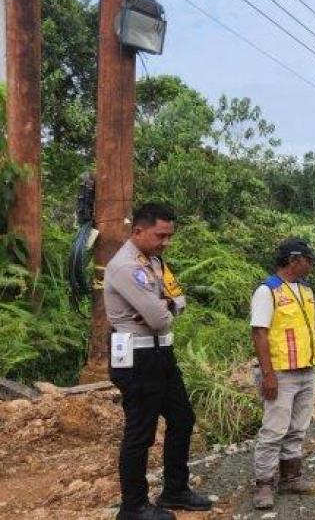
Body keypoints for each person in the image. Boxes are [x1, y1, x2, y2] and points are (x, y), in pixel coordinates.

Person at [105, 203, 212, 520]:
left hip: (161, 354)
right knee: (141, 432)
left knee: (182, 418)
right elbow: (157, 318)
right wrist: (161, 309)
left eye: (169, 236)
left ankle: (175, 490)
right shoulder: (125, 266)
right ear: (138, 231)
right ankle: (133, 506)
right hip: (136, 357)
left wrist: (162, 305)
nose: (166, 242)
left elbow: (179, 301)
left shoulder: (154, 261)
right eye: (160, 235)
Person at [251, 238, 315, 510]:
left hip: (306, 369)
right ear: (294, 260)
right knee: (274, 429)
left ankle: (291, 477)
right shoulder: (268, 291)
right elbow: (259, 332)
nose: (311, 265)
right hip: (281, 372)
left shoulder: (304, 290)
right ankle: (264, 483)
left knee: (298, 428)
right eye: (308, 260)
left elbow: (305, 320)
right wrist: (269, 375)